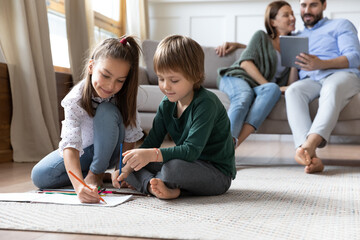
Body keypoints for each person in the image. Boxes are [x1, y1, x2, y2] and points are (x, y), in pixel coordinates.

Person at [112, 35, 236, 200]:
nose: (165, 86)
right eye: (161, 78)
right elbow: (152, 142)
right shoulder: (167, 104)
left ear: (196, 76)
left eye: (174, 80)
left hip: (216, 172)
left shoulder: (207, 104)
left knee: (172, 169)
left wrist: (149, 156)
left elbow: (191, 151)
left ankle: (166, 186)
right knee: (127, 160)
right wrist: (127, 168)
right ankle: (153, 185)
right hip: (186, 163)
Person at [31, 36, 144, 203]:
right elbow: (70, 144)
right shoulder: (74, 99)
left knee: (106, 111)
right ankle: (99, 175)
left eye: (120, 81)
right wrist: (79, 186)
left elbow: (130, 137)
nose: (111, 86)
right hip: (85, 151)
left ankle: (96, 173)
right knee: (40, 176)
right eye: (105, 75)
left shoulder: (124, 96)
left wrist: (121, 169)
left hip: (112, 149)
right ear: (91, 67)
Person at [285, 0, 360, 174]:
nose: (307, 10)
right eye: (303, 5)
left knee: (331, 88)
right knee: (293, 91)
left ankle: (308, 146)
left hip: (341, 75)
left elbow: (355, 57)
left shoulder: (341, 24)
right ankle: (311, 158)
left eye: (313, 5)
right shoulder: (296, 36)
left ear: (324, 5)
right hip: (311, 80)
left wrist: (321, 63)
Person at [216, 1, 298, 148]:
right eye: (286, 15)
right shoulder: (261, 36)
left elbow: (290, 85)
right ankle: (224, 149)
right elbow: (245, 62)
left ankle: (230, 147)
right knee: (244, 96)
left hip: (259, 87)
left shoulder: (292, 44)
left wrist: (293, 62)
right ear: (273, 22)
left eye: (292, 14)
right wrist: (267, 85)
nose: (292, 17)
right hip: (236, 77)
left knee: (273, 89)